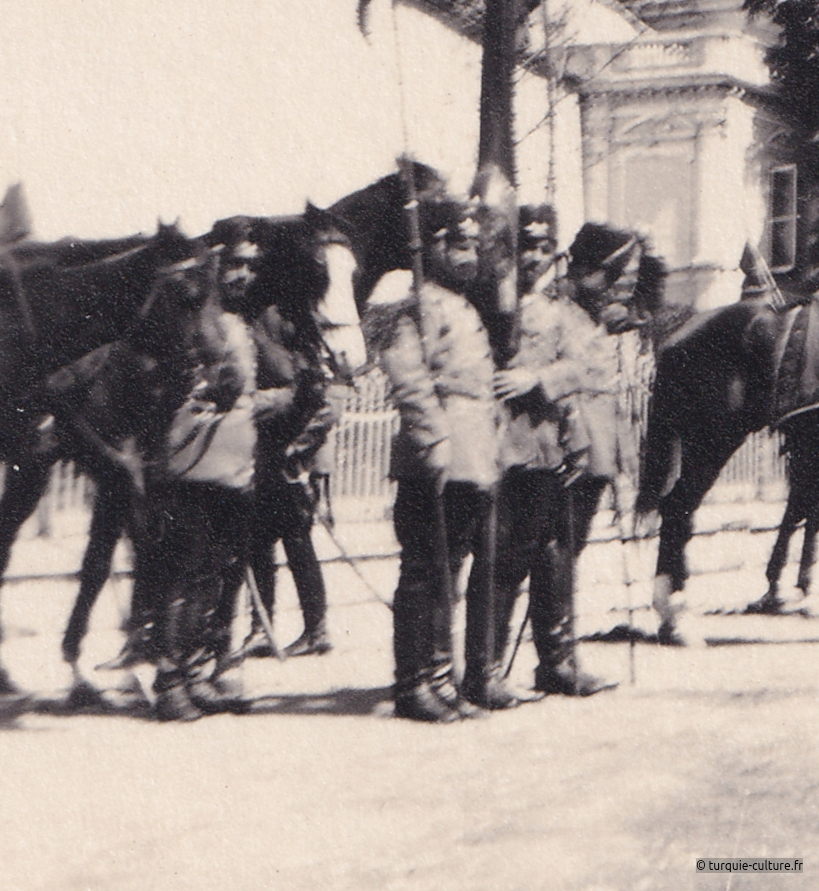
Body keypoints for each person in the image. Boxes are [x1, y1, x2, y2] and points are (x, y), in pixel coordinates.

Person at [365, 199, 512, 722]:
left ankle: (440, 677)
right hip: (438, 455)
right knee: (424, 571)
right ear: (429, 247)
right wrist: (434, 442)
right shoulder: (410, 304)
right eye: (457, 243)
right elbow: (407, 377)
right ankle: (412, 684)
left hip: (472, 455)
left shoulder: (461, 304)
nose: (469, 253)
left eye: (473, 243)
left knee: (450, 570)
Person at [491, 204, 620, 697]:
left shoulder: (556, 311)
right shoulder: (495, 303)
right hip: (504, 446)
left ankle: (557, 662)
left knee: (552, 554)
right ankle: (489, 667)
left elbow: (581, 369)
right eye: (527, 247)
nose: (536, 258)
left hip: (547, 446)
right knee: (507, 559)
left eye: (545, 248)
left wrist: (536, 379)